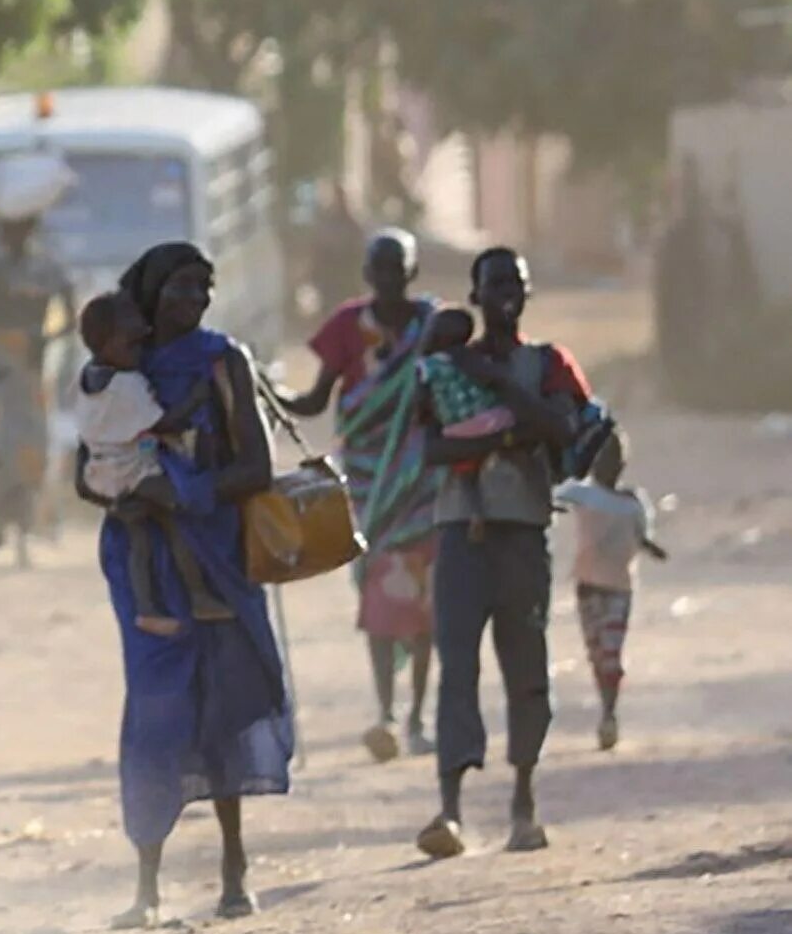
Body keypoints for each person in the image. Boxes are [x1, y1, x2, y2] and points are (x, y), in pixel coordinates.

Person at [77, 243, 291, 929]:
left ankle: (233, 869)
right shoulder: (110, 373)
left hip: (217, 552)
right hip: (149, 570)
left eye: (204, 286)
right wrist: (128, 495)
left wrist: (184, 492)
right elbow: (84, 468)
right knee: (155, 711)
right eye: (179, 287)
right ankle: (147, 884)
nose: (194, 299)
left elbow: (255, 465)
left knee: (223, 705)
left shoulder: (222, 359)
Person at [415, 248, 591, 860]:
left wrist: (494, 391)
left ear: (527, 291)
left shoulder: (544, 363)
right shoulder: (441, 367)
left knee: (525, 667)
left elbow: (566, 429)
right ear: (476, 294)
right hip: (462, 529)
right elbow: (427, 449)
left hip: (521, 529)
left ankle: (524, 801)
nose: (506, 295)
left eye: (515, 284)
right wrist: (512, 431)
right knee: (457, 667)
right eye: (495, 285)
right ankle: (451, 810)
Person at [282, 229, 441, 762]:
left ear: (412, 273)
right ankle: (386, 715)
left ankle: (418, 716)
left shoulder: (434, 325)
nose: (389, 280)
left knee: (425, 604)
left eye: (399, 270)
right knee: (381, 600)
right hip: (371, 486)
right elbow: (313, 400)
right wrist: (262, 388)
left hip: (423, 481)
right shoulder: (347, 327)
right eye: (380, 270)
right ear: (367, 275)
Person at [71, 293, 229, 639]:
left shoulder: (87, 378)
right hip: (134, 471)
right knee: (179, 519)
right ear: (109, 343)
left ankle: (147, 608)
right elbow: (166, 424)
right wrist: (198, 398)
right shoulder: (127, 385)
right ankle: (199, 594)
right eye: (132, 344)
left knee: (140, 537)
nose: (140, 349)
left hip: (100, 474)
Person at [0, 216, 75, 566]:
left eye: (18, 229)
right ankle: (1, 526)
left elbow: (69, 317)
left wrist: (45, 339)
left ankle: (32, 526)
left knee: (34, 444)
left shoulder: (49, 268)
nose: (11, 236)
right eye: (6, 230)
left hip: (33, 366)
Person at [555, 426, 663, 752]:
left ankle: (608, 714)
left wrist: (651, 547)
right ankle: (607, 712)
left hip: (614, 587)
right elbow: (550, 497)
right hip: (592, 586)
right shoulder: (586, 494)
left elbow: (641, 537)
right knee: (599, 652)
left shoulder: (631, 502)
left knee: (609, 653)